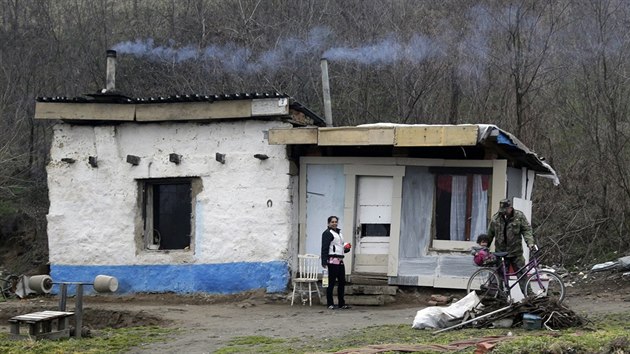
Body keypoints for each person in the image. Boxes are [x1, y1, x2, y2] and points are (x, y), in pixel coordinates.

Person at [486, 198, 537, 295]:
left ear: (510, 208)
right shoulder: (495, 219)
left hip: (516, 252)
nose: (504, 213)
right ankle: (502, 300)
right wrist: (484, 248)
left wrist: (530, 243)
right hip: (501, 253)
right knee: (501, 278)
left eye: (505, 210)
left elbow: (527, 230)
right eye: (502, 211)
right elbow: (489, 234)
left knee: (522, 275)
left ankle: (529, 296)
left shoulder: (519, 216)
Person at [321, 215, 351, 310]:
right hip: (332, 261)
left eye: (336, 221)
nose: (334, 223)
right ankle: (330, 303)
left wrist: (346, 249)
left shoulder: (339, 234)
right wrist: (324, 261)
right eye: (332, 222)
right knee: (331, 283)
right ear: (328, 223)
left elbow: (340, 247)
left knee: (342, 282)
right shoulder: (327, 233)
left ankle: (341, 303)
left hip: (340, 261)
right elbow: (325, 248)